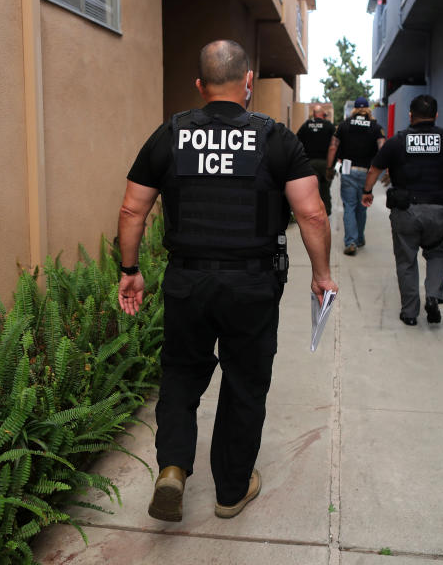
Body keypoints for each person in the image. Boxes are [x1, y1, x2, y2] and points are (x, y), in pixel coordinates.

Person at [117, 40, 337, 523]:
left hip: (186, 281)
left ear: (200, 85)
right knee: (244, 382)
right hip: (252, 285)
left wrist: (130, 270)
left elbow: (134, 207)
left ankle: (173, 467)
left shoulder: (171, 133)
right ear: (249, 82)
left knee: (180, 374)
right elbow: (312, 213)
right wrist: (322, 275)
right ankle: (230, 492)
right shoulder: (276, 138)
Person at [361, 94, 443, 326]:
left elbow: (374, 169)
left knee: (406, 260)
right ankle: (433, 295)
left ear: (411, 115)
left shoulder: (397, 141)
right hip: (438, 209)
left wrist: (367, 191)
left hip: (406, 210)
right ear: (436, 115)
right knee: (437, 253)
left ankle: (410, 313)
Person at [327, 96, 385, 255]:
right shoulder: (376, 127)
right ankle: (359, 238)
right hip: (368, 172)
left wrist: (329, 167)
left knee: (349, 206)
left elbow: (333, 147)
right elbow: (383, 148)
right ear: (368, 109)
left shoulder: (344, 126)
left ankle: (351, 241)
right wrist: (384, 169)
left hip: (347, 169)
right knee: (362, 206)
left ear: (354, 109)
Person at [295, 104, 336, 215]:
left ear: (313, 114)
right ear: (323, 114)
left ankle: (313, 212)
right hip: (326, 163)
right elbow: (335, 145)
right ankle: (326, 212)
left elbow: (296, 142)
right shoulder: (329, 126)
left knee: (312, 191)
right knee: (325, 188)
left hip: (310, 163)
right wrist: (332, 165)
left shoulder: (306, 125)